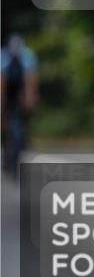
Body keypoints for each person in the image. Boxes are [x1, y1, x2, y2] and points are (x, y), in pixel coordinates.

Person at [1, 34, 40, 176]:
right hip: (7, 92)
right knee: (5, 122)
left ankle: (22, 139)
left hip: (20, 92)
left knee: (21, 122)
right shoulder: (3, 56)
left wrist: (31, 99)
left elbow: (31, 79)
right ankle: (6, 144)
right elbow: (2, 82)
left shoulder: (28, 56)